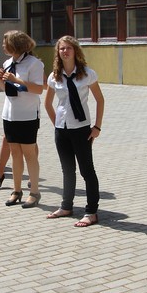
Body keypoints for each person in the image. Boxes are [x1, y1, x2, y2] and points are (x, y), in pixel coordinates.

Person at [44, 36, 104, 226]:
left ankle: (91, 212)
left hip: (81, 129)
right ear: (58, 52)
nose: (65, 51)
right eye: (62, 48)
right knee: (67, 170)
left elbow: (100, 100)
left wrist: (97, 127)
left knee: (87, 170)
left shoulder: (87, 74)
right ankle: (66, 206)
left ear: (75, 50)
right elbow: (48, 104)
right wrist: (57, 125)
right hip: (62, 130)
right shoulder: (54, 76)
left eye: (69, 48)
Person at [0, 30, 44, 208]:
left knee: (29, 154)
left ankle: (35, 192)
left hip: (27, 115)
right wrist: (1, 81)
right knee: (15, 153)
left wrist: (16, 80)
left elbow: (38, 89)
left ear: (15, 45)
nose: (3, 46)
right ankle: (16, 190)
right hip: (10, 114)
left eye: (6, 43)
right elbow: (6, 89)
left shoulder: (34, 63)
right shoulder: (8, 63)